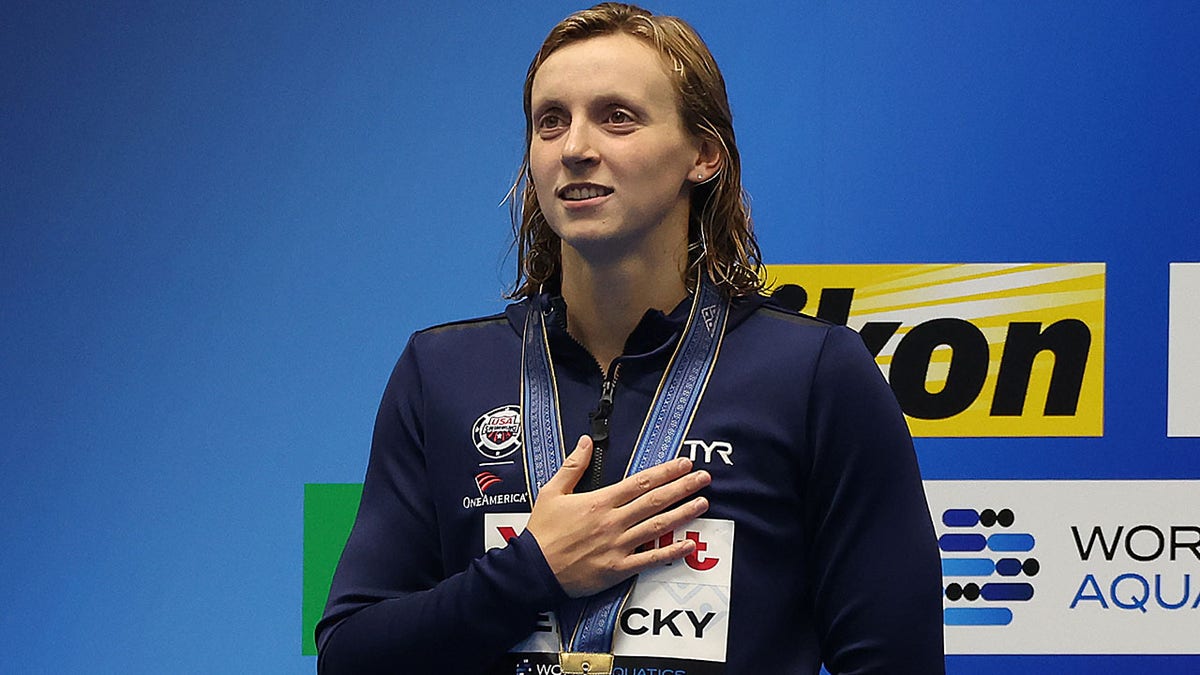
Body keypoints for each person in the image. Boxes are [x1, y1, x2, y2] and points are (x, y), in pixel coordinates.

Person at [316, 3, 944, 673]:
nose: (576, 147)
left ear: (703, 154)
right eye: (550, 121)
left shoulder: (815, 374)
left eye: (618, 117)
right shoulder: (440, 371)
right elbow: (353, 652)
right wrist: (531, 569)